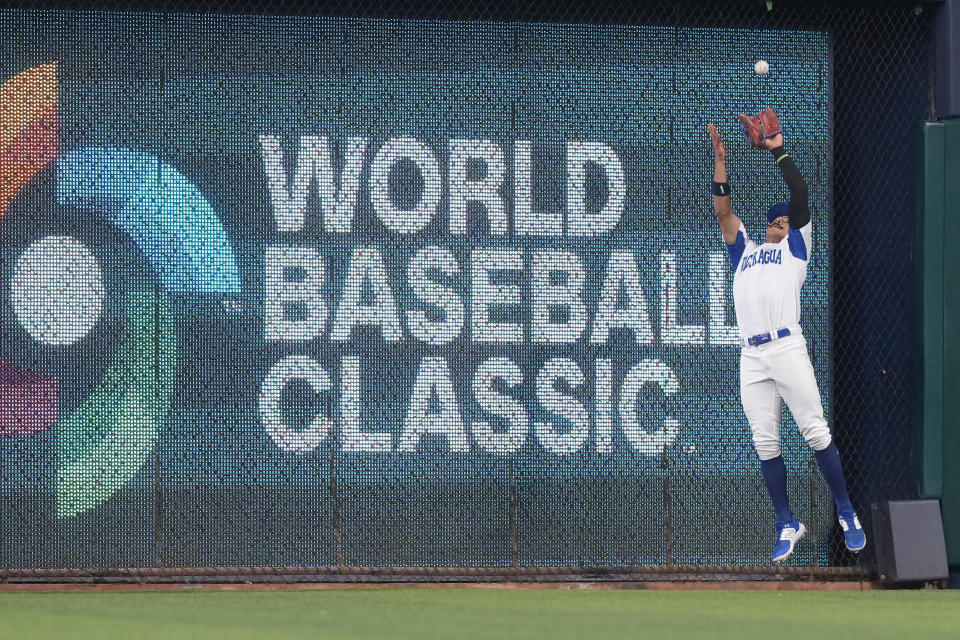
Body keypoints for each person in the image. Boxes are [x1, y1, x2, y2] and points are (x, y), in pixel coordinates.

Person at [707, 109, 866, 563]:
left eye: (785, 220)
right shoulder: (745, 251)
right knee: (764, 441)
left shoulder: (797, 248)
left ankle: (846, 511)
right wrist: (721, 161)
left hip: (786, 345)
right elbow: (723, 211)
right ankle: (786, 521)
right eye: (775, 220)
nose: (780, 223)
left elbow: (798, 192)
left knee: (815, 430)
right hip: (751, 356)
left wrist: (776, 148)